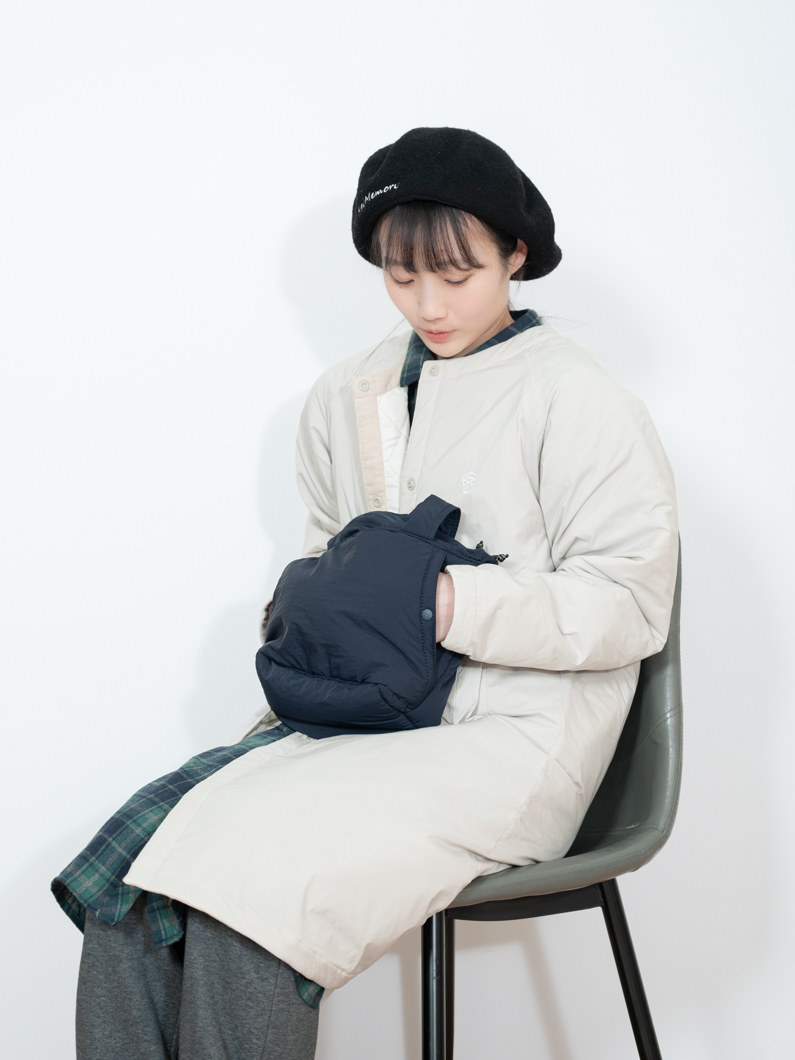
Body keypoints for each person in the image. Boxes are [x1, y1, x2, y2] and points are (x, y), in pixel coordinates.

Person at [52, 126, 678, 1060]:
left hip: (508, 743)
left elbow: (630, 603)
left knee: (252, 898)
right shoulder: (348, 393)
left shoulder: (577, 399)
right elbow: (330, 561)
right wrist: (306, 618)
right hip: (351, 726)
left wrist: (442, 604)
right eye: (400, 275)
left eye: (456, 274)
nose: (428, 303)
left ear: (515, 255)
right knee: (134, 880)